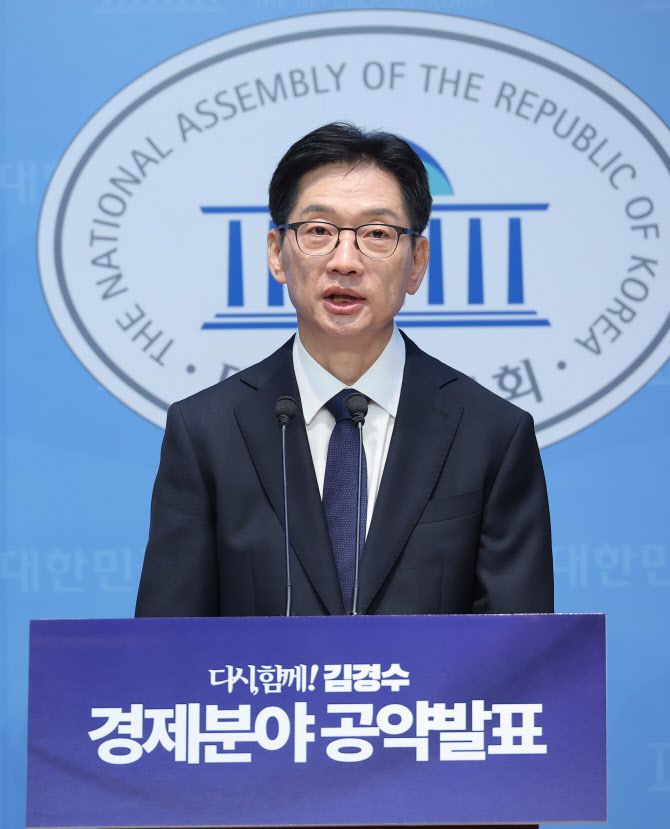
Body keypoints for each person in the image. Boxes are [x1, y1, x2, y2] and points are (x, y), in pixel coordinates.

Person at [135, 122, 553, 618]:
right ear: (277, 254)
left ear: (417, 262)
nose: (345, 261)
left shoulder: (491, 434)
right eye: (318, 231)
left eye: (377, 234)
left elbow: (520, 649)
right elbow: (166, 645)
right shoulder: (207, 432)